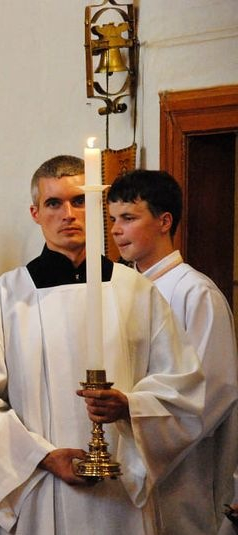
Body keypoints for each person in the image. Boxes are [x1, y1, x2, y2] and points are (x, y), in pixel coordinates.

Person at [0, 155, 205, 534]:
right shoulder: (4, 297)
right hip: (39, 487)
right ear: (35, 213)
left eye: (80, 201)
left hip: (120, 492)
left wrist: (129, 407)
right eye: (53, 203)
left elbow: (183, 389)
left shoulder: (136, 292)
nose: (68, 214)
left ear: (98, 209)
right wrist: (42, 457)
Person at [107, 169, 238, 535]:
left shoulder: (195, 293)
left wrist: (139, 416)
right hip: (126, 458)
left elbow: (211, 392)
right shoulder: (118, 291)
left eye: (129, 218)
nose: (116, 230)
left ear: (164, 221)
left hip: (182, 469)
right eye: (113, 219)